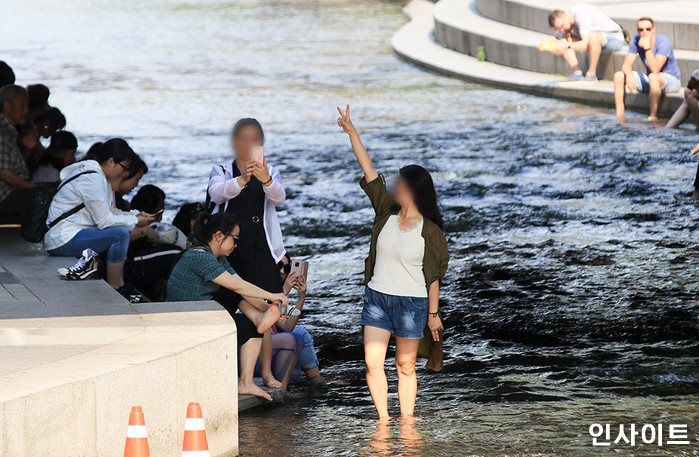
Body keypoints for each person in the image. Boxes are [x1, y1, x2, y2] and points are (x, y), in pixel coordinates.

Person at [337, 105, 449, 418]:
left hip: (412, 302)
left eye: (400, 182)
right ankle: (384, 422)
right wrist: (352, 131)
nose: (394, 185)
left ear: (413, 189)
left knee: (405, 365)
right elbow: (369, 171)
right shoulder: (385, 210)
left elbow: (433, 276)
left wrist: (433, 314)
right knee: (373, 363)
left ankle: (408, 421)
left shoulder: (431, 230)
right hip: (377, 298)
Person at [166, 211, 288, 400]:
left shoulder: (218, 258)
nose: (236, 244)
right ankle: (246, 382)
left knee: (238, 296)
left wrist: (271, 309)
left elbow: (241, 287)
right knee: (250, 326)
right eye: (235, 239)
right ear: (219, 236)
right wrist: (272, 296)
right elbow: (237, 285)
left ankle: (260, 318)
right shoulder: (199, 257)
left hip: (202, 312)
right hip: (185, 321)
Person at [207, 117, 287, 389]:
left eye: (254, 139)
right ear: (234, 142)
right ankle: (232, 373)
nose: (247, 144)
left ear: (260, 143)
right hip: (230, 247)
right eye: (242, 138)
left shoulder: (270, 170)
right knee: (231, 304)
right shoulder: (222, 169)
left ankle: (265, 373)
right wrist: (242, 179)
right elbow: (217, 194)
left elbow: (279, 199)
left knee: (267, 311)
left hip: (260, 246)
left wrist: (265, 179)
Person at [44, 138, 155, 300]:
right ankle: (116, 287)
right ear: (111, 162)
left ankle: (120, 284)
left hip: (70, 233)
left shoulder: (97, 175)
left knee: (120, 231)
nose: (124, 174)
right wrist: (136, 222)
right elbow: (104, 221)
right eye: (124, 168)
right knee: (120, 234)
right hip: (63, 238)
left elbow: (110, 212)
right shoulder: (93, 179)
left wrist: (134, 216)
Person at [614, 17, 682, 123]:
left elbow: (655, 69)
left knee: (653, 77)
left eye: (648, 29)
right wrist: (629, 75)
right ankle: (620, 117)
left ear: (653, 30)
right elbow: (626, 65)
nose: (644, 32)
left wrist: (647, 48)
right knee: (619, 75)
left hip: (671, 80)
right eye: (641, 30)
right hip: (651, 80)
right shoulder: (636, 40)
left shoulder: (663, 42)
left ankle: (652, 116)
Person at [272, 254, 324, 383]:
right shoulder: (262, 286)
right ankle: (285, 389)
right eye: (278, 266)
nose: (282, 272)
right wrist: (284, 292)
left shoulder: (278, 290)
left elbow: (286, 327)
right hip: (260, 340)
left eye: (286, 267)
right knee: (297, 335)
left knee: (300, 333)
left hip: (273, 335)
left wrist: (301, 298)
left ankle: (316, 379)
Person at [545, 5, 625, 81]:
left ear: (565, 15)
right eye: (559, 28)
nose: (562, 29)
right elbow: (560, 43)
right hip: (593, 41)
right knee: (562, 39)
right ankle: (577, 73)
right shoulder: (565, 24)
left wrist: (567, 45)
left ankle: (591, 74)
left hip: (614, 38)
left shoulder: (581, 13)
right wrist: (554, 46)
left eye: (562, 25)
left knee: (593, 37)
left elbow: (585, 44)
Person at [0, 85, 39, 216]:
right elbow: (4, 173)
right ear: (7, 106)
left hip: (11, 192)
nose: (26, 110)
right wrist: (33, 188)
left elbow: (15, 168)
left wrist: (27, 149)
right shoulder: (2, 132)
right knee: (46, 197)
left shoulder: (10, 132)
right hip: (4, 196)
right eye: (22, 105)